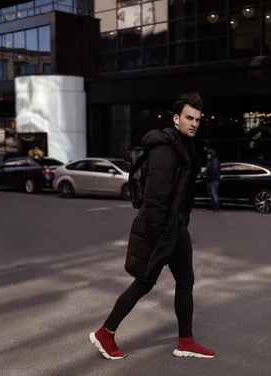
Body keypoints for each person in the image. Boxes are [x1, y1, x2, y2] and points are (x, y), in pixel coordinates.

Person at [89, 92, 216, 360]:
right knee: (144, 283)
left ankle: (186, 341)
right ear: (176, 118)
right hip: (162, 229)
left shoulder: (184, 146)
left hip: (177, 227)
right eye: (189, 118)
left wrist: (180, 226)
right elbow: (156, 197)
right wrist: (161, 238)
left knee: (186, 281)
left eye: (197, 119)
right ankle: (105, 333)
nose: (194, 123)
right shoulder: (166, 149)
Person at [204, 148, 220, 212]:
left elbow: (214, 171)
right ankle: (213, 207)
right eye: (207, 154)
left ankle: (216, 208)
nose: (208, 155)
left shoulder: (215, 161)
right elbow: (207, 170)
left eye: (209, 154)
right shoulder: (210, 161)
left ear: (212, 154)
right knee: (211, 194)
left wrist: (209, 177)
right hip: (210, 180)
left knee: (214, 194)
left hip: (213, 180)